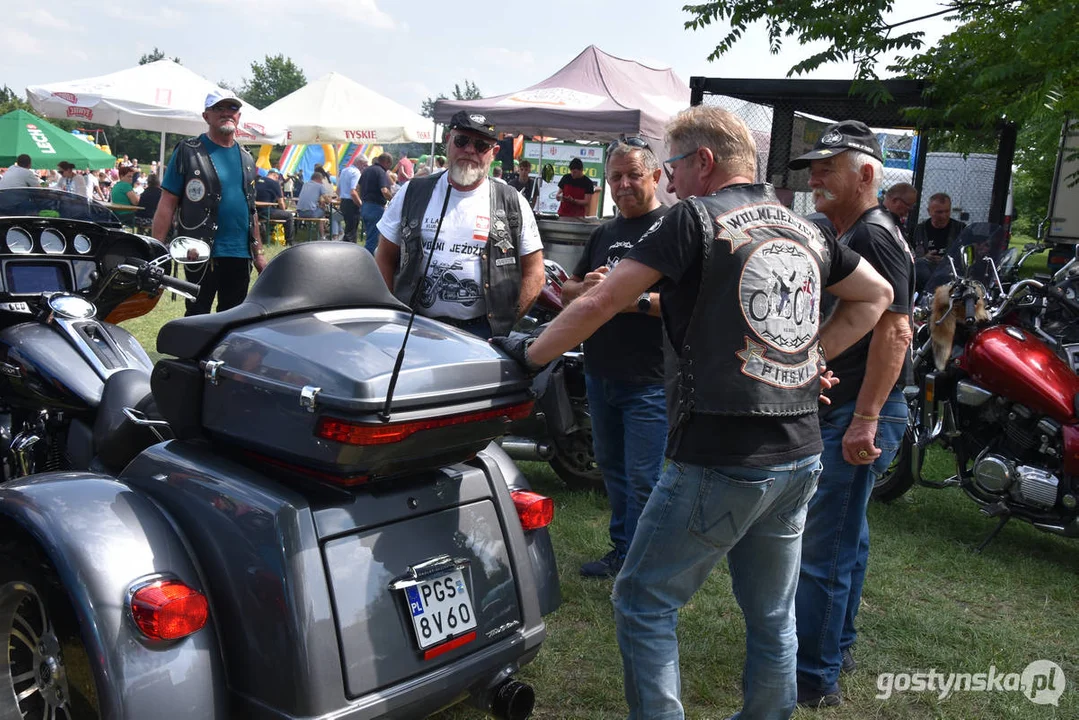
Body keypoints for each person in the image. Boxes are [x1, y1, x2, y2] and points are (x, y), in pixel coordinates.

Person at [492, 105, 894, 720]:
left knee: (644, 598)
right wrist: (805, 358)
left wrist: (529, 353)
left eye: (674, 166)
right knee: (771, 613)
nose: (670, 180)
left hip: (722, 454)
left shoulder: (693, 218)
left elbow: (602, 299)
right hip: (799, 456)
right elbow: (876, 296)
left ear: (704, 162)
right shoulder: (802, 227)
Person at [788, 120, 914, 709]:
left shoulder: (874, 235)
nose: (814, 177)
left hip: (863, 407)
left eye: (826, 167)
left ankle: (813, 675)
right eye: (810, 167)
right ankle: (834, 649)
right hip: (854, 404)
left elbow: (897, 332)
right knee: (845, 539)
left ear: (865, 172)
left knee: (825, 546)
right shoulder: (850, 229)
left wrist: (867, 418)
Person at [561, 138, 669, 579]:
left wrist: (630, 299)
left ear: (657, 177)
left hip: (651, 379)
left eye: (633, 175)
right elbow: (566, 290)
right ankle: (624, 552)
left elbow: (686, 302)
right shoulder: (604, 232)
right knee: (614, 471)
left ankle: (645, 568)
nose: (623, 185)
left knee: (645, 478)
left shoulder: (671, 227)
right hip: (601, 372)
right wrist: (587, 287)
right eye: (615, 178)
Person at [374, 110, 545, 339]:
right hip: (414, 325)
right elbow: (384, 256)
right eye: (462, 140)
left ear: (493, 153)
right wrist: (391, 312)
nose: (470, 150)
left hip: (481, 333)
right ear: (448, 141)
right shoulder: (413, 191)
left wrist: (505, 321)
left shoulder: (512, 201)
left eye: (481, 145)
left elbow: (535, 273)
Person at [152, 90, 267, 316]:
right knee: (197, 314)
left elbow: (251, 209)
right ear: (206, 116)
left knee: (234, 317)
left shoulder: (246, 157)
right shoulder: (188, 151)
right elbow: (167, 203)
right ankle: (194, 353)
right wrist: (155, 247)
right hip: (199, 250)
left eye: (232, 109)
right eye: (219, 108)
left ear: (239, 116)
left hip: (239, 253)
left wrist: (259, 253)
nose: (226, 113)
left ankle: (225, 353)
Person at [912, 192, 967, 292]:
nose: (944, 216)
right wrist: (925, 258)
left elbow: (967, 255)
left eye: (947, 211)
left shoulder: (960, 229)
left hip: (951, 272)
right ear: (929, 211)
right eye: (939, 212)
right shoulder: (919, 229)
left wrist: (946, 260)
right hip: (926, 272)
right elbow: (910, 255)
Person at [359, 153, 394, 254]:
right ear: (386, 162)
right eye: (389, 165)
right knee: (374, 240)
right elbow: (384, 190)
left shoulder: (366, 170)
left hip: (365, 206)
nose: (389, 168)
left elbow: (358, 187)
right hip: (375, 207)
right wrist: (393, 200)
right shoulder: (381, 172)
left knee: (370, 236)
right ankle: (366, 262)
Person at [255, 169, 294, 243]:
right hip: (266, 212)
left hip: (255, 211)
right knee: (289, 216)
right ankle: (289, 242)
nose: (278, 178)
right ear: (275, 175)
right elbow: (281, 202)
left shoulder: (257, 181)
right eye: (278, 177)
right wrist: (284, 210)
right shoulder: (274, 183)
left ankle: (267, 236)